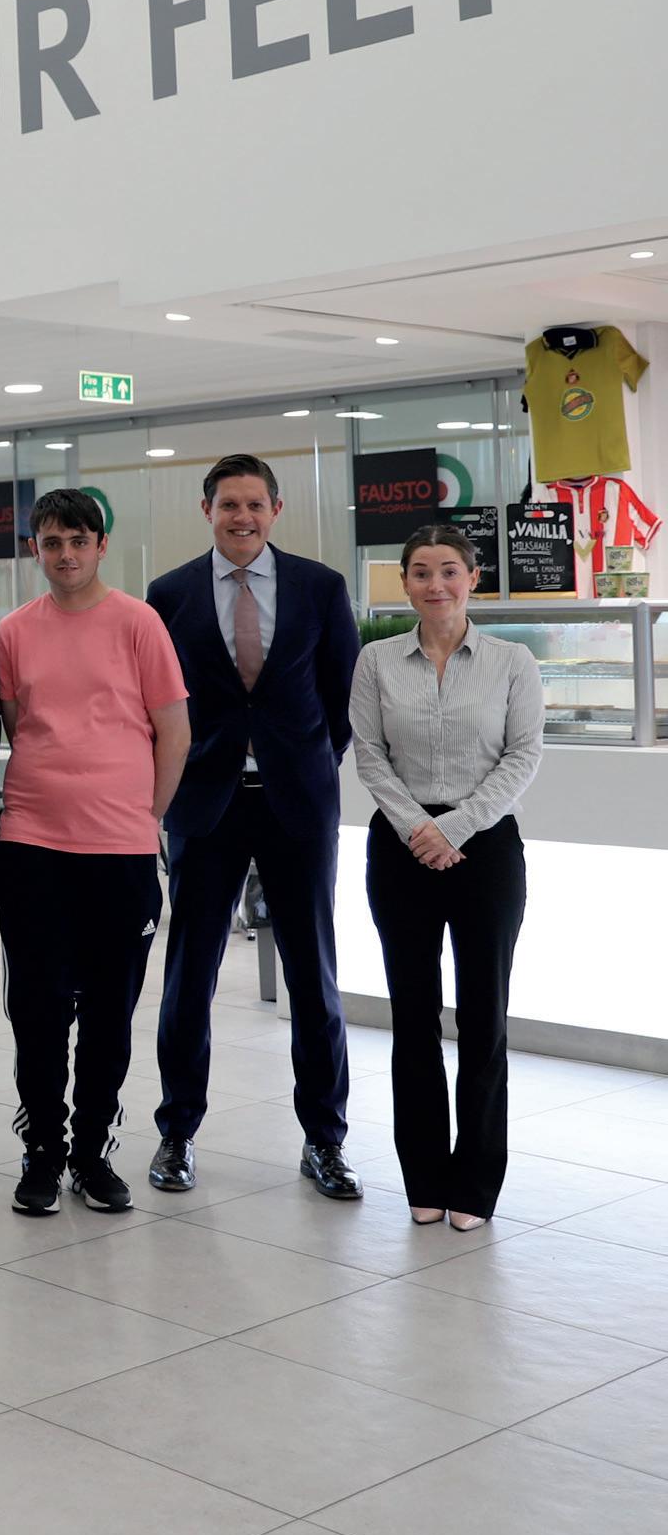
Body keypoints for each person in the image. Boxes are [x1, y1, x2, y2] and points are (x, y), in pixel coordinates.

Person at [147, 453, 364, 1201]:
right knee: (189, 976)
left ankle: (324, 1140)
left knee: (313, 975)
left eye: (254, 504)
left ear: (275, 509)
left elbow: (342, 697)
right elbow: (158, 701)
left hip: (295, 803)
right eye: (227, 504)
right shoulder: (169, 593)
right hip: (204, 803)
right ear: (206, 509)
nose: (241, 517)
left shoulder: (319, 587)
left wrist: (301, 761)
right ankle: (176, 1133)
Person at [0, 489, 190, 1216]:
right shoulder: (14, 631)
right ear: (35, 549)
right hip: (32, 845)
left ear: (101, 545)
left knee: (110, 1012)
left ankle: (91, 1152)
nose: (66, 554)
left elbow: (174, 731)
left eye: (78, 540)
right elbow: (18, 722)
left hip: (120, 851)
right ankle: (43, 1149)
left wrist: (144, 815)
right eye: (51, 542)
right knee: (37, 1010)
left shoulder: (139, 623)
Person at [350, 523, 543, 1230]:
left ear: (472, 578)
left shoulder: (512, 661)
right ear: (404, 582)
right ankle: (423, 1178)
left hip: (485, 851)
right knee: (412, 1017)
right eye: (422, 572)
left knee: (484, 1017)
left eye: (449, 571)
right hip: (400, 848)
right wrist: (417, 828)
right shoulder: (376, 660)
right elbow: (369, 755)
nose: (436, 584)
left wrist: (454, 828)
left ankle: (475, 1184)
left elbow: (523, 755)